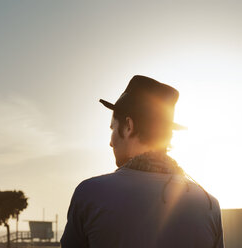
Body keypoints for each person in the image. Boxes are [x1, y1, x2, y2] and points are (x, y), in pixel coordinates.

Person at [61, 75, 224, 248]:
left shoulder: (89, 194)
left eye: (113, 128)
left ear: (128, 126)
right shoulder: (209, 205)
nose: (110, 141)